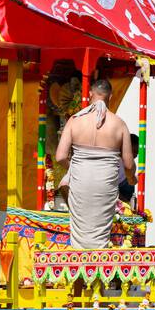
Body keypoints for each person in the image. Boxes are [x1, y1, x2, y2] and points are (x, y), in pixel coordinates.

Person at [56, 76, 135, 248]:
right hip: (105, 183)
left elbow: (60, 156)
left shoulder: (75, 120)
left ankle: (80, 268)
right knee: (100, 233)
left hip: (80, 181)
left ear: (90, 94)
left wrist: (74, 168)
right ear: (110, 97)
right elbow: (128, 164)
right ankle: (99, 269)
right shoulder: (119, 124)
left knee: (80, 232)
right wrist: (132, 178)